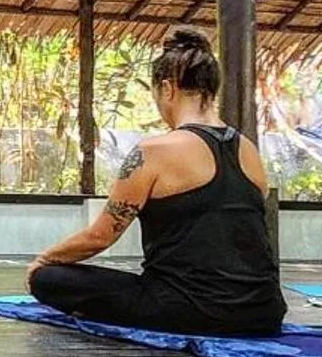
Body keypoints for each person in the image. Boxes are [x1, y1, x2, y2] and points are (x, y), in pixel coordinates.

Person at [28, 27, 285, 336]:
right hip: (264, 313)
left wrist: (43, 260)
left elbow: (100, 237)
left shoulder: (153, 151)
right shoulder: (249, 150)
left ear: (167, 89)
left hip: (187, 309)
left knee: (48, 279)